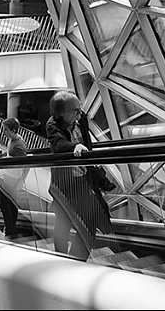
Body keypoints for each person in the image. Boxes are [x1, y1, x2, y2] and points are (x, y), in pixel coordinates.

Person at [46, 90, 112, 260]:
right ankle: (60, 259)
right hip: (65, 184)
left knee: (90, 222)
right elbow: (59, 144)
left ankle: (76, 259)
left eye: (79, 109)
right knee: (63, 223)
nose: (79, 113)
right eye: (74, 111)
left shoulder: (80, 119)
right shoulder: (52, 124)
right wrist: (73, 148)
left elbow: (87, 142)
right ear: (59, 113)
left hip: (83, 180)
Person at [0, 117, 27, 238]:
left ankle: (10, 229)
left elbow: (26, 164)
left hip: (12, 178)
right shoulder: (13, 139)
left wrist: (22, 181)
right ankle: (11, 228)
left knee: (4, 204)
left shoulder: (18, 145)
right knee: (11, 203)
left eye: (6, 130)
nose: (3, 132)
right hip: (10, 176)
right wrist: (4, 154)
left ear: (13, 130)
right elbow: (10, 154)